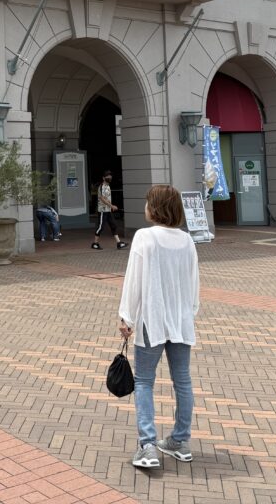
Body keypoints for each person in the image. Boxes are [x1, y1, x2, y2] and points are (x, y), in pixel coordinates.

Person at [117, 185, 200, 470]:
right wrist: (189, 314)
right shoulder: (187, 241)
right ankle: (180, 440)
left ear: (155, 208)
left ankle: (148, 445)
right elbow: (193, 282)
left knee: (143, 381)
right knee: (183, 381)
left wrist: (126, 316)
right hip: (180, 320)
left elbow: (134, 280)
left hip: (152, 319)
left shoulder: (145, 237)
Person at [92, 170, 127, 250]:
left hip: (108, 210)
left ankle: (119, 243)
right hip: (102, 211)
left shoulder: (108, 186)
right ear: (103, 178)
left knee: (113, 225)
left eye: (110, 176)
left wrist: (110, 207)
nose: (109, 177)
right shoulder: (101, 187)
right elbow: (102, 199)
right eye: (107, 176)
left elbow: (107, 198)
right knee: (100, 227)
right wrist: (112, 206)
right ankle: (95, 243)